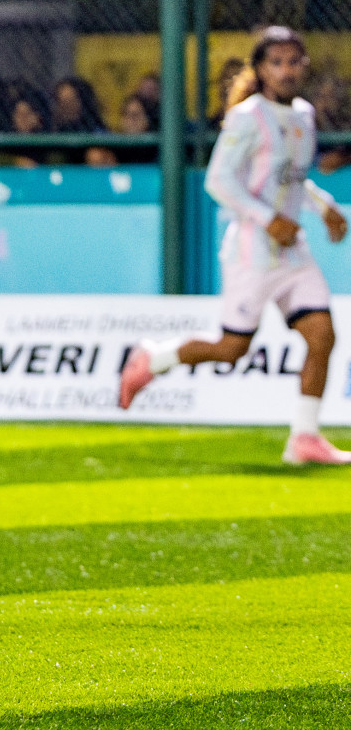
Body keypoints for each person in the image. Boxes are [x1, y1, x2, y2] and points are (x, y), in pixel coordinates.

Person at [120, 26, 350, 464]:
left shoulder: (303, 114)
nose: (286, 70)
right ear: (261, 69)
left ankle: (304, 438)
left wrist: (325, 207)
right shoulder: (248, 117)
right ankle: (153, 359)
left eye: (293, 61)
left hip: (292, 252)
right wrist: (268, 219)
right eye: (276, 62)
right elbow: (219, 180)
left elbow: (294, 179)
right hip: (253, 253)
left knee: (322, 336)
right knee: (232, 348)